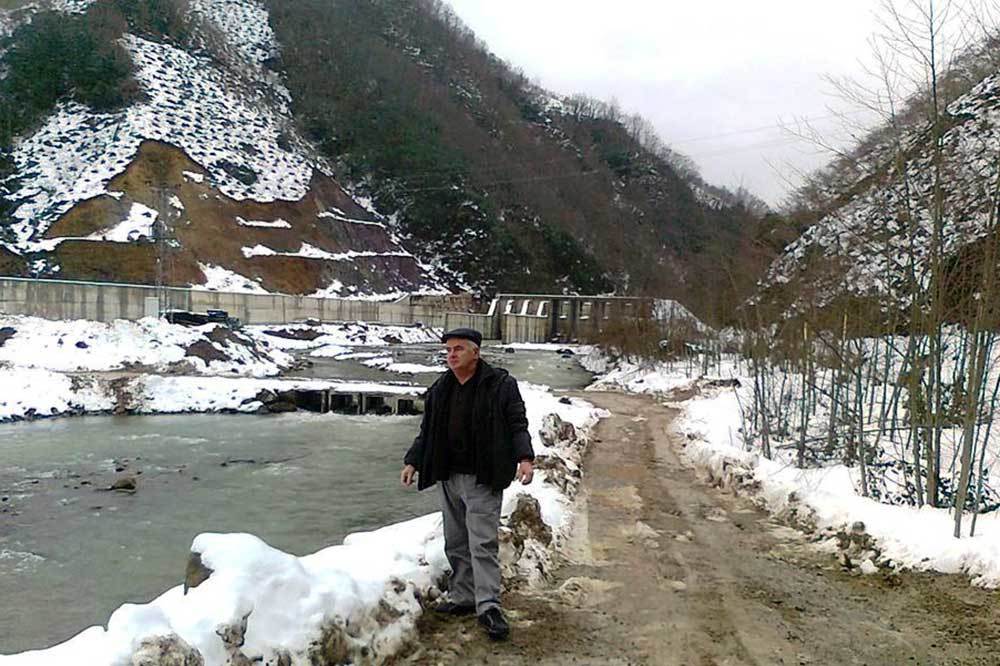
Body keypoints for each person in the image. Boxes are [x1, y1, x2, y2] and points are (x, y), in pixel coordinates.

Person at [400, 327, 535, 641]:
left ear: (476, 352)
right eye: (448, 350)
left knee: (482, 543)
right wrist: (413, 461)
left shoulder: (500, 385)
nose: (451, 354)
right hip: (448, 475)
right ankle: (463, 597)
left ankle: (488, 605)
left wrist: (525, 458)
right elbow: (427, 433)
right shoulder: (440, 389)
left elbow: (518, 423)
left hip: (483, 477)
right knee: (456, 541)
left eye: (458, 349)